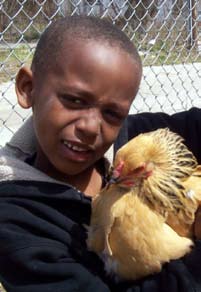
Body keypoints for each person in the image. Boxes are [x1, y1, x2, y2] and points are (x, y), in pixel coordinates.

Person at [0, 15, 201, 292]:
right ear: (27, 89)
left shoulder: (128, 146)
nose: (91, 128)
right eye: (74, 100)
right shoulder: (15, 223)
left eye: (112, 113)